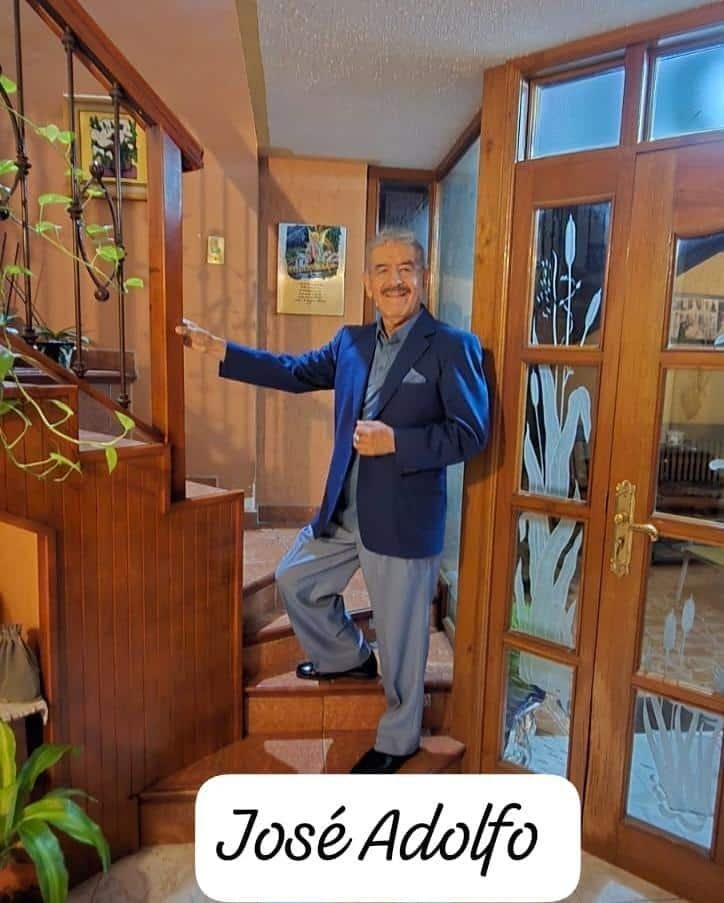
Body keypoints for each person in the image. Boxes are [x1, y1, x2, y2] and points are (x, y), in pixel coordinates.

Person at [176, 229, 489, 773]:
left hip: (403, 521)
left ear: (424, 277)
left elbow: (471, 433)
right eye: (383, 270)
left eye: (406, 268)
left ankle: (399, 739)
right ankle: (347, 657)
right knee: (295, 579)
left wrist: (397, 442)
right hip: (344, 512)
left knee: (402, 639)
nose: (395, 280)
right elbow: (294, 371)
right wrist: (221, 349)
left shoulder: (451, 346)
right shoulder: (351, 343)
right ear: (366, 283)